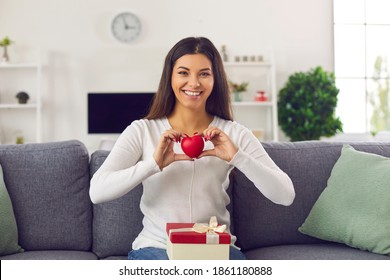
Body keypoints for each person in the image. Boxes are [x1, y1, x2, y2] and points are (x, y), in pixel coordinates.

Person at [90, 37, 295, 260]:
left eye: (204, 74)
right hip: (158, 247)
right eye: (184, 73)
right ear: (170, 77)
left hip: (215, 246)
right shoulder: (142, 130)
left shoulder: (234, 134)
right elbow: (98, 192)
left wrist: (238, 157)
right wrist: (153, 165)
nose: (194, 83)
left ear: (215, 79)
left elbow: (285, 195)